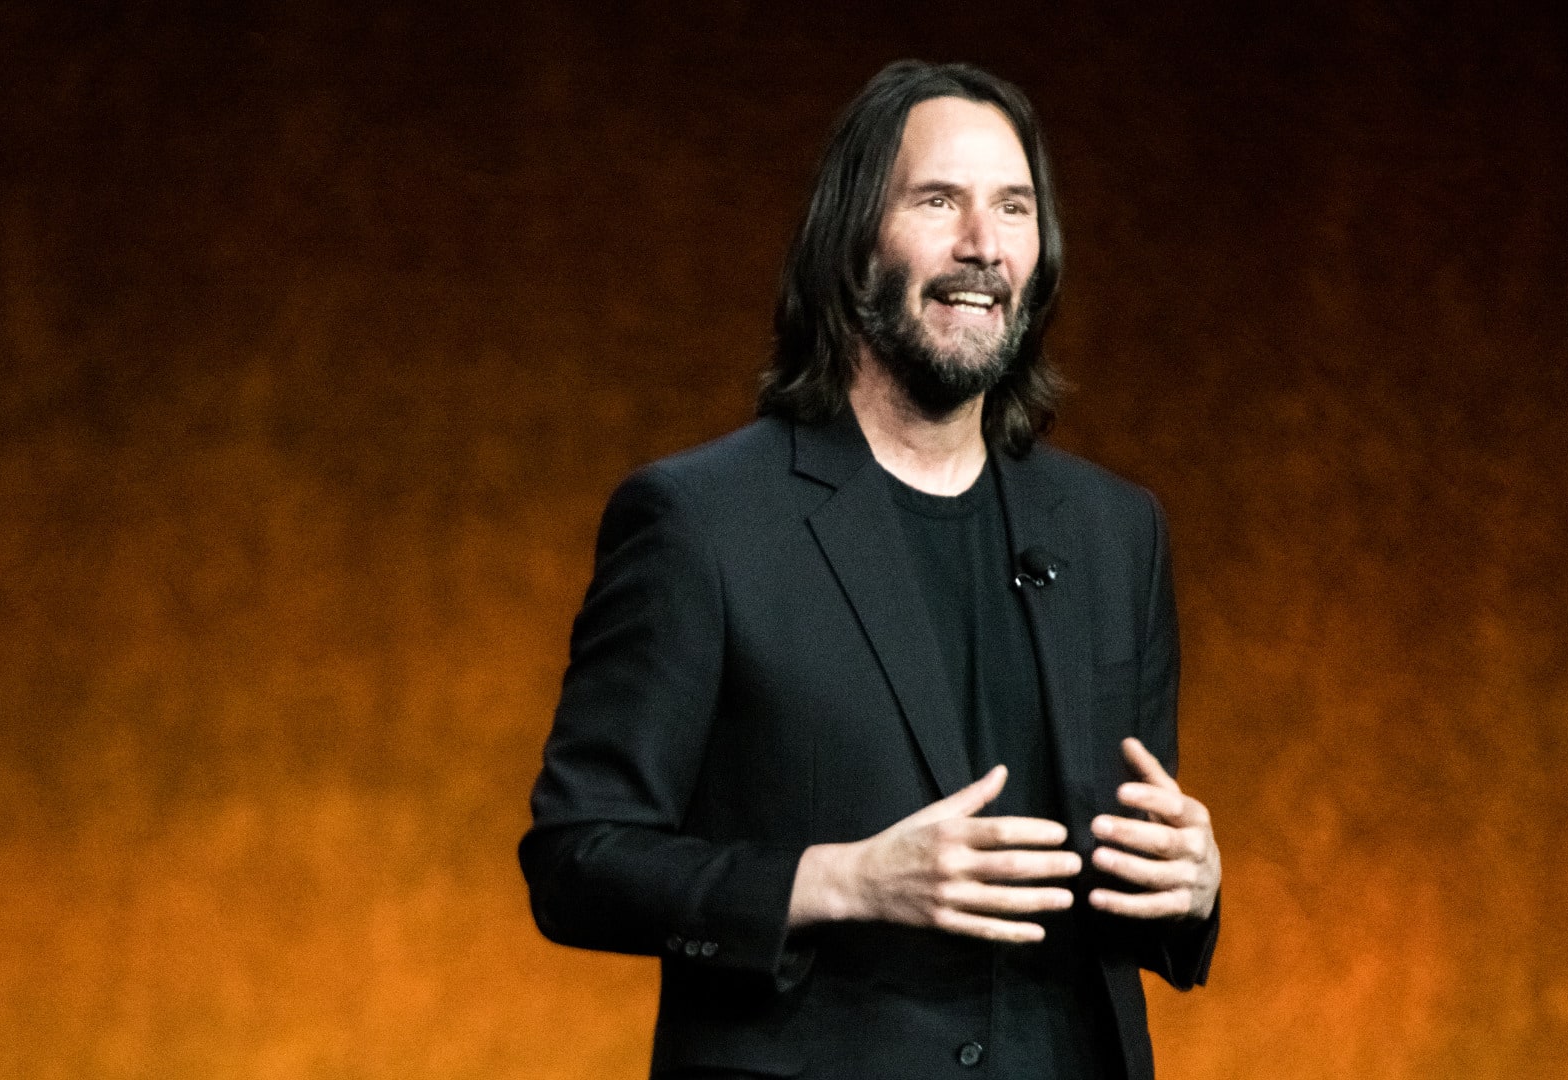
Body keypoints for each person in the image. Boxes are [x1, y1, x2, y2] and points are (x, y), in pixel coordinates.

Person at [520, 60, 1221, 1080]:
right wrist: (840, 880)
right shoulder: (703, 521)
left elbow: (1131, 874)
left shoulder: (1116, 532)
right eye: (939, 201)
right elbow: (578, 860)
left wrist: (1192, 886)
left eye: (1013, 208)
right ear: (853, 244)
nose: (982, 245)